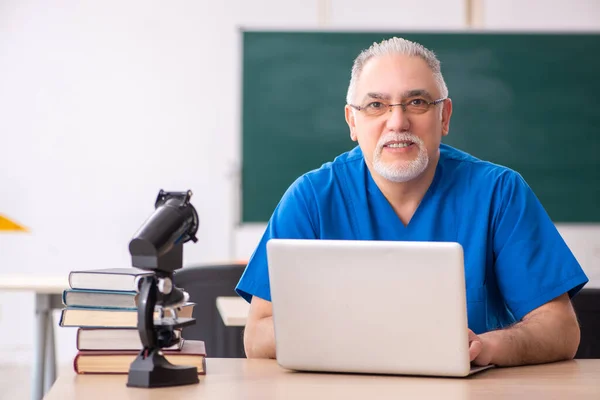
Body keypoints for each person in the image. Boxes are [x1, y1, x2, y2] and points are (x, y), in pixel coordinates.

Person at [235, 37, 588, 366]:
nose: (397, 121)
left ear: (444, 116)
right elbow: (258, 335)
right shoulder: (311, 198)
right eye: (376, 105)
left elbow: (560, 329)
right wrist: (359, 339)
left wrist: (486, 347)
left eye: (417, 102)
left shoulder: (499, 192)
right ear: (352, 121)